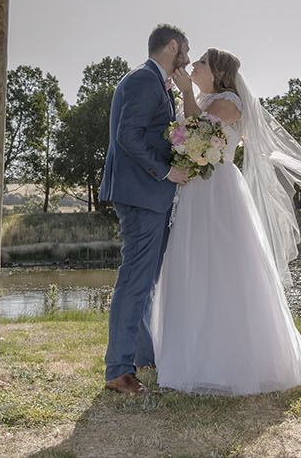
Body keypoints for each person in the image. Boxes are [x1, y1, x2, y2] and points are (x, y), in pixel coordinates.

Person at [152, 48, 301, 394]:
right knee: (193, 265)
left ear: (218, 72)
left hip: (219, 191)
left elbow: (198, 135)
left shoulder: (228, 101)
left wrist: (187, 93)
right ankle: (193, 357)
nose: (193, 66)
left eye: (201, 62)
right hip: (194, 191)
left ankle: (234, 359)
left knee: (224, 269)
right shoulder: (201, 99)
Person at [100, 24, 191, 395]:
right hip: (142, 194)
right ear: (172, 46)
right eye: (185, 49)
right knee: (135, 280)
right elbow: (127, 136)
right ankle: (119, 370)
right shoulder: (142, 80)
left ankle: (140, 355)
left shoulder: (157, 83)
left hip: (150, 195)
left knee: (146, 280)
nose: (187, 56)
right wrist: (167, 170)